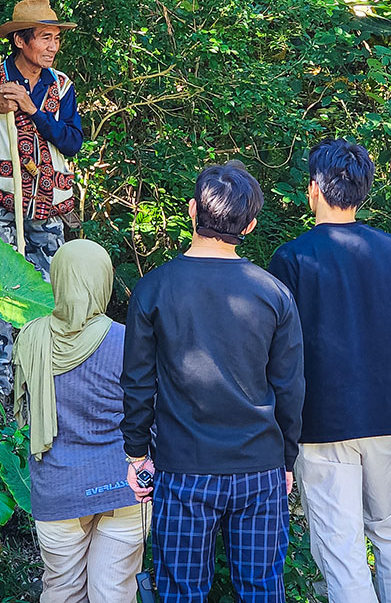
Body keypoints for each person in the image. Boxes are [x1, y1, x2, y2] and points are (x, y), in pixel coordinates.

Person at [121, 161, 305, 603]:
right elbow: (290, 387)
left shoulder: (154, 288)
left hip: (183, 467)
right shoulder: (273, 293)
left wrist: (135, 452)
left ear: (191, 211)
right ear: (251, 224)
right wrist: (286, 459)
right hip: (259, 466)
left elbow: (137, 382)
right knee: (262, 590)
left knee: (181, 591)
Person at [267, 138, 391, 603]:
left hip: (319, 425)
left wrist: (283, 430)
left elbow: (281, 357)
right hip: (388, 417)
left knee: (342, 550)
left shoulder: (292, 259)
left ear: (314, 188)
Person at [0, 0, 85, 396]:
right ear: (21, 41)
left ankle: (37, 384)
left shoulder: (61, 87)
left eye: (56, 39)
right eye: (45, 38)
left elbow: (72, 141)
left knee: (45, 296)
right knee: (1, 295)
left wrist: (34, 111)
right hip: (0, 208)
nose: (53, 47)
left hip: (48, 211)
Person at [12, 239, 144, 603]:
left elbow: (24, 414)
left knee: (61, 591)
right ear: (103, 280)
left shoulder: (30, 338)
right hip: (122, 486)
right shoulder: (127, 340)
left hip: (57, 489)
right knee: (112, 592)